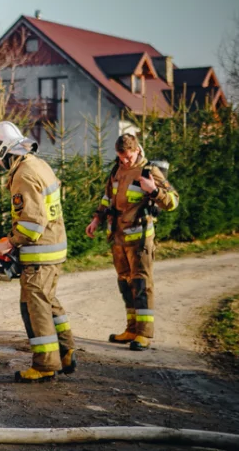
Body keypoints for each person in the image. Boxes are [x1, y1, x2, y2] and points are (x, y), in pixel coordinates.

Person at [0, 121, 77, 383]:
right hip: (53, 247)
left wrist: (9, 243)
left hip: (40, 251)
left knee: (35, 306)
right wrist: (13, 239)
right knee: (48, 300)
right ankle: (65, 350)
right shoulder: (37, 164)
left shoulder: (23, 174)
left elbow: (32, 223)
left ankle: (46, 365)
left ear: (4, 151)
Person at [86, 133, 178, 351]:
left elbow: (173, 201)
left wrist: (153, 191)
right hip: (118, 237)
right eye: (121, 157)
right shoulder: (117, 169)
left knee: (141, 283)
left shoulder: (149, 171)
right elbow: (107, 197)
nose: (125, 161)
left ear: (137, 151)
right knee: (125, 282)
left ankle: (144, 334)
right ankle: (131, 328)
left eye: (128, 157)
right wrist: (96, 218)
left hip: (140, 239)